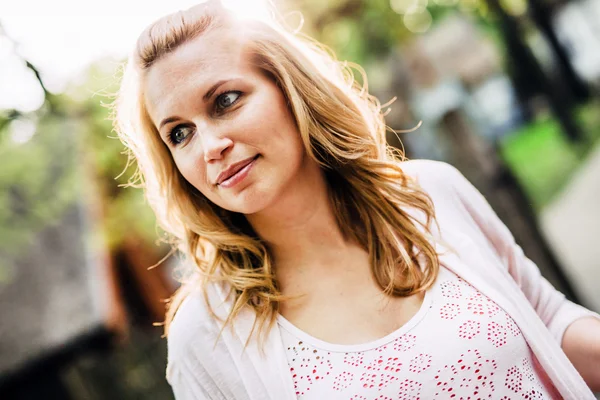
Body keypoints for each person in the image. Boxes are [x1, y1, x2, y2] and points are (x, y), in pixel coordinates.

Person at [112, 0, 600, 398]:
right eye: (179, 134)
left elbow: (548, 320)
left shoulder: (432, 194)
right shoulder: (206, 334)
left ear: (289, 88)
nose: (208, 146)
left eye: (225, 100)